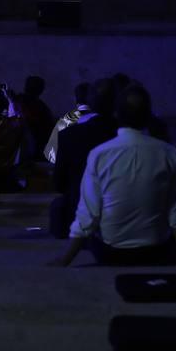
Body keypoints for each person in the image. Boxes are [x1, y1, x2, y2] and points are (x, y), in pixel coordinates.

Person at [56, 85, 176, 266]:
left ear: (117, 114)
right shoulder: (167, 153)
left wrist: (65, 260)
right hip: (156, 251)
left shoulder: (99, 154)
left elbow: (88, 214)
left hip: (110, 253)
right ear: (148, 115)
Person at [51, 78, 119, 238]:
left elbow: (59, 184)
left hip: (79, 210)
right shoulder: (128, 136)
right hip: (123, 213)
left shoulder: (69, 134)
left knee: (58, 206)